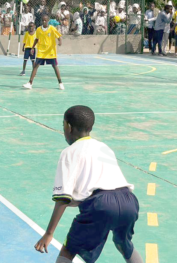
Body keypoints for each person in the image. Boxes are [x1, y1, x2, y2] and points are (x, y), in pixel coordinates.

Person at [34, 105, 142, 263]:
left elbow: (63, 198)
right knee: (123, 243)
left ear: (68, 127)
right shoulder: (104, 147)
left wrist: (49, 233)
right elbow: (107, 190)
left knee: (69, 249)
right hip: (129, 201)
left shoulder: (69, 152)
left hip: (100, 204)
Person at [23, 15, 64, 90]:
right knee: (35, 66)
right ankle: (30, 83)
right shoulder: (38, 29)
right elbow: (36, 39)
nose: (44, 21)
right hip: (41, 51)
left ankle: (60, 83)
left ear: (48, 20)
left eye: (45, 20)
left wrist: (60, 41)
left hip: (50, 51)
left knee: (55, 67)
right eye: (42, 20)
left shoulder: (52, 28)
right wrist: (32, 47)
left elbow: (59, 36)